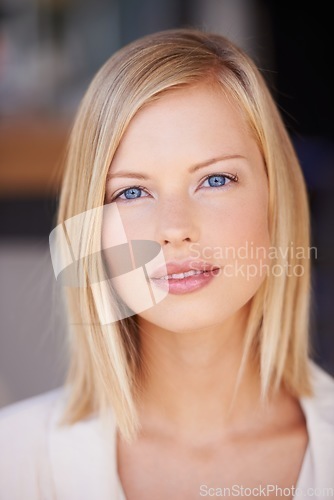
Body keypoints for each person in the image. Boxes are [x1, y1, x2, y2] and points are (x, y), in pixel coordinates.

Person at [0, 28, 333, 500]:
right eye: (132, 192)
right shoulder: (10, 460)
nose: (174, 228)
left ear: (275, 200)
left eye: (215, 179)